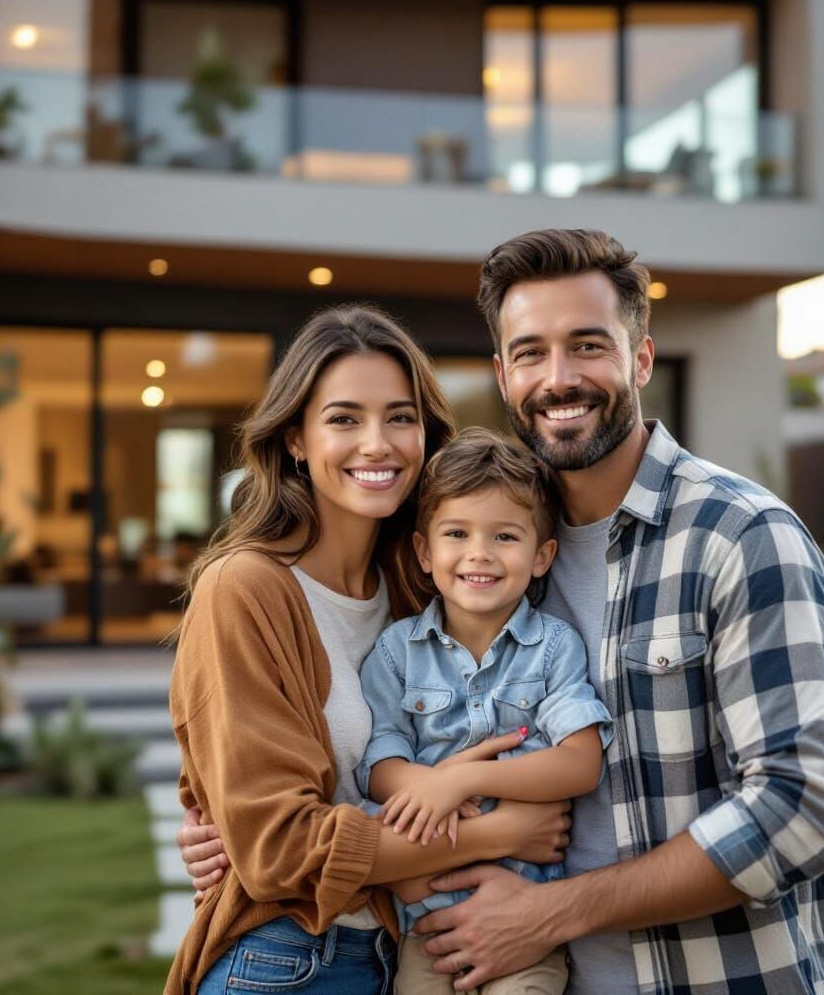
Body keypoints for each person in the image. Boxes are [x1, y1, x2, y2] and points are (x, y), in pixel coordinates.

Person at [181, 229, 824, 995]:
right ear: (504, 376)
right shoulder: (473, 561)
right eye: (531, 352)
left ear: (641, 358)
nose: (559, 378)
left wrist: (550, 913)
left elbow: (804, 809)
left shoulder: (741, 537)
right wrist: (233, 833)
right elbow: (285, 803)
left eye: (588, 346)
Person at [165, 304, 571, 995]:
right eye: (344, 418)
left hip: (402, 952)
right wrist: (503, 833)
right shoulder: (246, 590)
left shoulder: (423, 586)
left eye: (400, 417)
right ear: (296, 438)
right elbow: (280, 850)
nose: (377, 443)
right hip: (286, 962)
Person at [357, 428, 613, 994]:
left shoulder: (554, 648)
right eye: (456, 533)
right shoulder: (397, 652)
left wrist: (464, 779)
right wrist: (427, 787)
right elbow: (379, 761)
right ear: (425, 552)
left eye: (504, 536)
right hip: (431, 929)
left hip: (527, 926)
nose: (479, 553)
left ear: (542, 555)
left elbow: (580, 763)